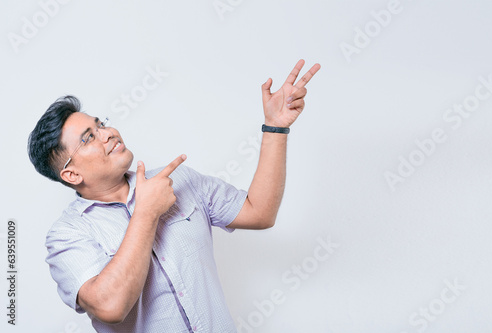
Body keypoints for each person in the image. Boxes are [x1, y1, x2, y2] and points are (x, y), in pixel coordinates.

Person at [27, 59, 320, 332]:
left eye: (100, 124)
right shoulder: (67, 235)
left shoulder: (177, 180)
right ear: (72, 175)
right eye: (89, 138)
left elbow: (260, 212)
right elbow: (110, 306)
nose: (108, 133)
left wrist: (276, 127)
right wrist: (146, 212)